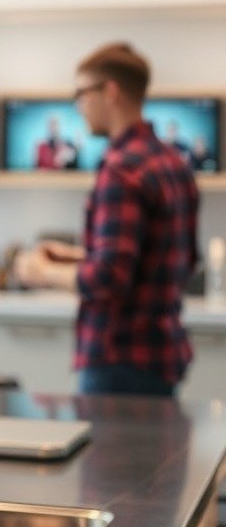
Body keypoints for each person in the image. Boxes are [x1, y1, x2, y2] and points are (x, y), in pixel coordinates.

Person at [15, 43, 198, 397]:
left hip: (118, 361)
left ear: (110, 91)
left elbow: (109, 278)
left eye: (81, 94)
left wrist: (42, 273)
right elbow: (170, 261)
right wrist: (74, 256)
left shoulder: (122, 169)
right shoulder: (173, 163)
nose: (79, 106)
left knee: (114, 455)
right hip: (160, 355)